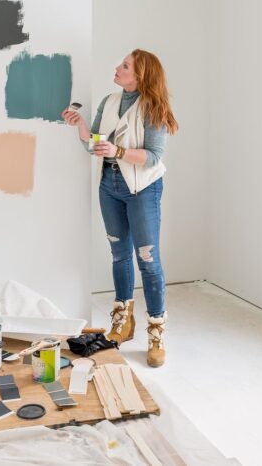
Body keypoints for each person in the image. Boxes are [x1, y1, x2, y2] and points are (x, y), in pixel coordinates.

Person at [61, 49, 178, 367]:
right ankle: (123, 322)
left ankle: (156, 330)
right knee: (119, 255)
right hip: (110, 186)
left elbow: (153, 156)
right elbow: (96, 144)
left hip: (142, 188)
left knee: (148, 260)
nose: (117, 68)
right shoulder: (109, 102)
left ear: (140, 75)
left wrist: (119, 150)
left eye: (124, 66)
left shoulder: (154, 107)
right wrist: (82, 126)